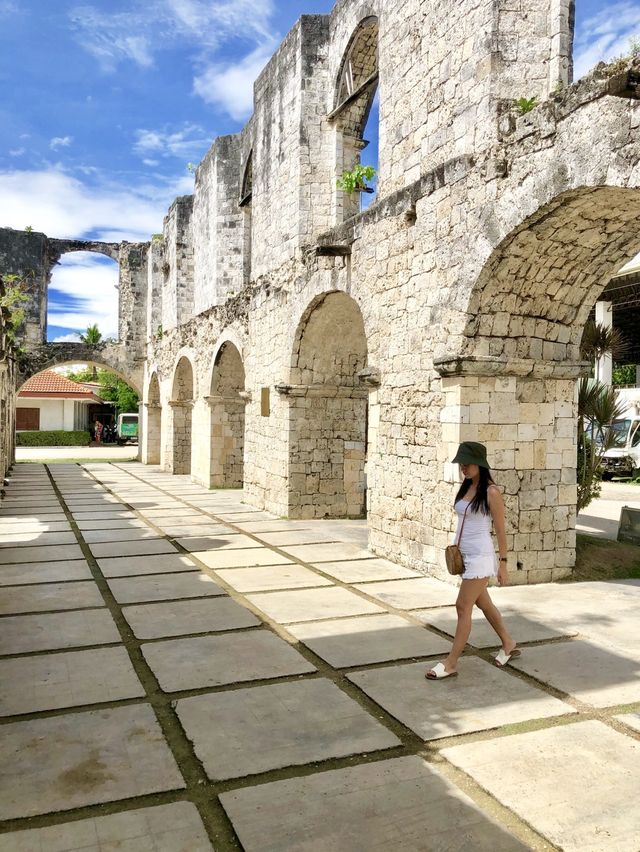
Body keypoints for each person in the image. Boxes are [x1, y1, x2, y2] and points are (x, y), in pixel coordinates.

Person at [426, 441, 519, 679]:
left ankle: (451, 663)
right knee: (483, 604)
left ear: (479, 464)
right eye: (461, 464)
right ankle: (508, 643)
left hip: (480, 557)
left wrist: (503, 565)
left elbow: (500, 531)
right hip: (464, 556)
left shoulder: (491, 492)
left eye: (467, 464)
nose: (463, 468)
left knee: (462, 606)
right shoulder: (466, 487)